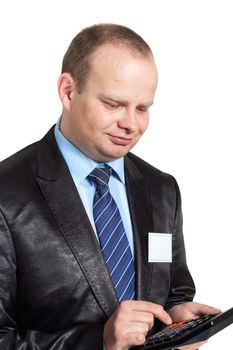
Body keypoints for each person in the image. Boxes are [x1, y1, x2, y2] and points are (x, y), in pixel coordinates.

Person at [0, 24, 220, 350]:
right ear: (68, 91)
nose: (131, 124)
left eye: (142, 108)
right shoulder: (7, 194)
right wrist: (97, 342)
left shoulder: (162, 190)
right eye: (114, 104)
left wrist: (176, 320)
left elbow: (174, 290)